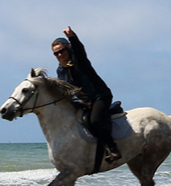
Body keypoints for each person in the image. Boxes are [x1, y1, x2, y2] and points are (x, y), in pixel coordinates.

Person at [52, 26, 121, 162]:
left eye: (61, 51)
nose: (60, 55)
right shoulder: (61, 71)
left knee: (94, 121)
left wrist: (72, 37)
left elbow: (79, 49)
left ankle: (113, 148)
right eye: (56, 53)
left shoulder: (79, 60)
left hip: (100, 96)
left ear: (68, 48)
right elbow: (64, 90)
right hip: (85, 101)